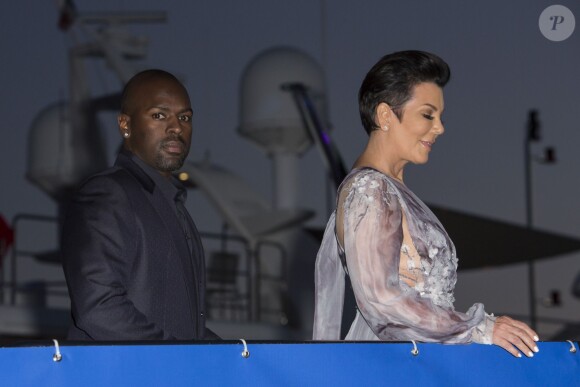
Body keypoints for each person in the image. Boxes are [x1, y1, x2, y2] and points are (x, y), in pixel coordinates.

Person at [313, 51, 538, 358]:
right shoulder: (372, 189)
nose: (440, 128)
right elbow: (381, 299)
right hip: (394, 368)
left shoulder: (388, 189)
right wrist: (480, 328)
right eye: (428, 115)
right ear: (385, 116)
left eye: (440, 117)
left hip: (421, 361)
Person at [62, 69, 218, 340]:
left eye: (185, 117)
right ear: (125, 125)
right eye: (159, 115)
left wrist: (235, 357)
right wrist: (181, 359)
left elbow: (183, 328)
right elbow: (99, 308)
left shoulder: (174, 205)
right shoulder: (107, 194)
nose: (176, 127)